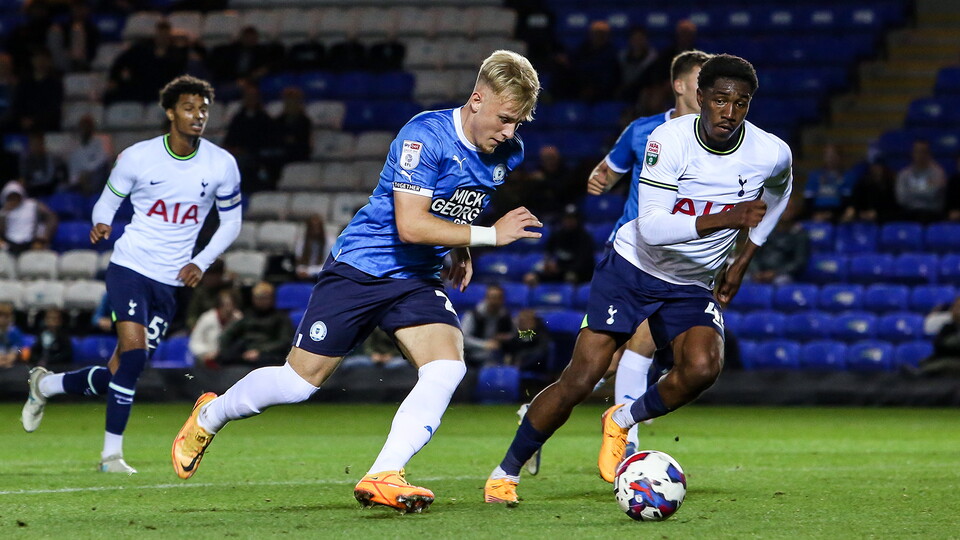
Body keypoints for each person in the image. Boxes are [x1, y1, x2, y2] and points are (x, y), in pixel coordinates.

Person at [171, 50, 542, 514]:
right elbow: (410, 225)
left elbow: (457, 200)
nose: (510, 132)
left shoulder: (508, 149)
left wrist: (459, 247)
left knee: (447, 367)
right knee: (298, 383)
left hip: (416, 277)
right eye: (505, 119)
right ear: (476, 99)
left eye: (520, 122)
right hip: (361, 269)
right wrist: (489, 236)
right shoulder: (424, 136)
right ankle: (211, 413)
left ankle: (384, 473)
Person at [484, 54, 792, 505]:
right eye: (721, 100)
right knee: (583, 375)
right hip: (633, 267)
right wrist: (730, 217)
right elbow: (652, 228)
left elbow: (781, 191)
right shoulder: (667, 140)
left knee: (704, 367)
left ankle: (623, 418)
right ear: (701, 97)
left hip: (691, 282)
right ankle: (504, 472)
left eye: (741, 103)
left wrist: (745, 257)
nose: (730, 111)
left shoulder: (770, 151)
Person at [21, 75, 243, 474]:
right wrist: (103, 223)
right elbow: (105, 204)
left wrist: (201, 262)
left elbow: (231, 222)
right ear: (171, 112)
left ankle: (46, 385)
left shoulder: (221, 164)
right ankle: (111, 457)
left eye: (204, 109)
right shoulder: (138, 157)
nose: (198, 116)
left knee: (119, 371)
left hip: (171, 281)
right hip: (130, 266)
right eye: (190, 108)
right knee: (136, 356)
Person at [579, 50, 710, 457]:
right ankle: (626, 445)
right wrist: (599, 179)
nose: (710, 90)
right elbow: (608, 170)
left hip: (682, 260)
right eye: (702, 80)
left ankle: (545, 410)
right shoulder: (643, 131)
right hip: (634, 252)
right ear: (680, 85)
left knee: (622, 356)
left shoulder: (718, 138)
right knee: (634, 348)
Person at [215, 281, 292, 368]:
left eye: (265, 298)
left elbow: (285, 341)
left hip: (269, 354)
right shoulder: (247, 315)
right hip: (245, 351)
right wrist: (224, 350)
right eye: (258, 297)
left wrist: (260, 351)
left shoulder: (281, 318)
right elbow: (228, 334)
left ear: (272, 298)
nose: (262, 301)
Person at [748, 196, 809, 284]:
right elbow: (752, 255)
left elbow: (799, 262)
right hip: (760, 272)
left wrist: (775, 273)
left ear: (795, 211)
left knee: (781, 281)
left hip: (782, 274)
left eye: (789, 209)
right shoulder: (765, 230)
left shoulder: (800, 234)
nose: (786, 212)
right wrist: (756, 272)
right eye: (783, 208)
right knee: (741, 280)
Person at [461, 284, 515, 368]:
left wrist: (506, 338)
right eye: (492, 297)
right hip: (472, 358)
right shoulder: (473, 315)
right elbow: (463, 339)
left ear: (502, 300)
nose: (494, 301)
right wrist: (485, 344)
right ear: (486, 298)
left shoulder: (506, 317)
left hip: (496, 357)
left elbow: (514, 335)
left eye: (498, 298)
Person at [895, 138, 948, 223]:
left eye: (923, 151)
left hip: (932, 213)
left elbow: (933, 194)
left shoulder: (938, 173)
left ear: (929, 154)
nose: (920, 155)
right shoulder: (904, 175)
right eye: (917, 151)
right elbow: (902, 199)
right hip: (909, 212)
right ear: (912, 153)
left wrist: (911, 191)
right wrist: (925, 189)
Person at [0, 180, 58, 255]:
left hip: (32, 242)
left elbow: (51, 217)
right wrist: (4, 214)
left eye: (16, 196)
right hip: (9, 244)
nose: (14, 199)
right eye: (11, 197)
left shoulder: (33, 204)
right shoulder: (3, 211)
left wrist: (44, 237)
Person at [188, 288, 242, 368]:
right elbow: (194, 343)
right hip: (206, 360)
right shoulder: (207, 318)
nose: (228, 308)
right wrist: (206, 353)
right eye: (225, 305)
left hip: (231, 361)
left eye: (231, 304)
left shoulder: (238, 318)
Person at [803, 144, 855, 222]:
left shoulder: (847, 176)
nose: (830, 158)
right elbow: (808, 199)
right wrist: (814, 214)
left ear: (840, 157)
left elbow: (847, 200)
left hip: (838, 215)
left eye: (833, 155)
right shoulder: (815, 175)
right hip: (817, 215)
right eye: (827, 155)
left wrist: (837, 215)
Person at [67, 114, 111, 195]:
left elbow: (102, 160)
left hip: (96, 176)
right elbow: (73, 171)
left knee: (103, 169)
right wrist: (80, 178)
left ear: (92, 128)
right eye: (83, 127)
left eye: (88, 127)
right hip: (81, 180)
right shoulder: (74, 147)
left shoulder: (99, 142)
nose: (85, 130)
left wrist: (87, 172)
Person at [294, 213, 327, 281]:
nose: (315, 230)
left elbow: (328, 265)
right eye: (312, 227)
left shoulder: (330, 241)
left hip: (322, 276)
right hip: (303, 276)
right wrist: (301, 270)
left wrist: (309, 272)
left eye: (317, 227)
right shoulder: (302, 241)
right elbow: (299, 262)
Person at [0, 301, 24, 369]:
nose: (3, 319)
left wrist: (13, 354)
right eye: (0, 316)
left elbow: (19, 346)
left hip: (11, 359)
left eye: (6, 316)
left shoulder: (15, 331)